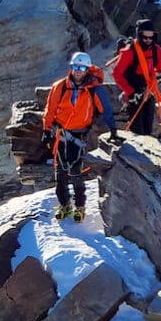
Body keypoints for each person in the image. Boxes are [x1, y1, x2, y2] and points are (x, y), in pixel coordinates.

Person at [42, 51, 116, 221]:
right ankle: (64, 205)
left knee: (75, 171)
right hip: (61, 133)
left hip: (79, 134)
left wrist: (112, 129)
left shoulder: (93, 88)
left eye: (82, 68)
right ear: (71, 67)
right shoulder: (60, 87)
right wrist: (46, 130)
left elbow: (105, 108)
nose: (78, 71)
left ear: (87, 69)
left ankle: (80, 206)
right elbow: (50, 109)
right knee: (60, 172)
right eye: (76, 67)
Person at [112, 18, 161, 137]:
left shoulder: (156, 50)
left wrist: (159, 78)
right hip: (133, 94)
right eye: (145, 37)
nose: (148, 40)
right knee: (137, 130)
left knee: (147, 128)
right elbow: (116, 73)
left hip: (148, 92)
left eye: (151, 37)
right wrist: (129, 92)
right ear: (139, 35)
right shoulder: (129, 52)